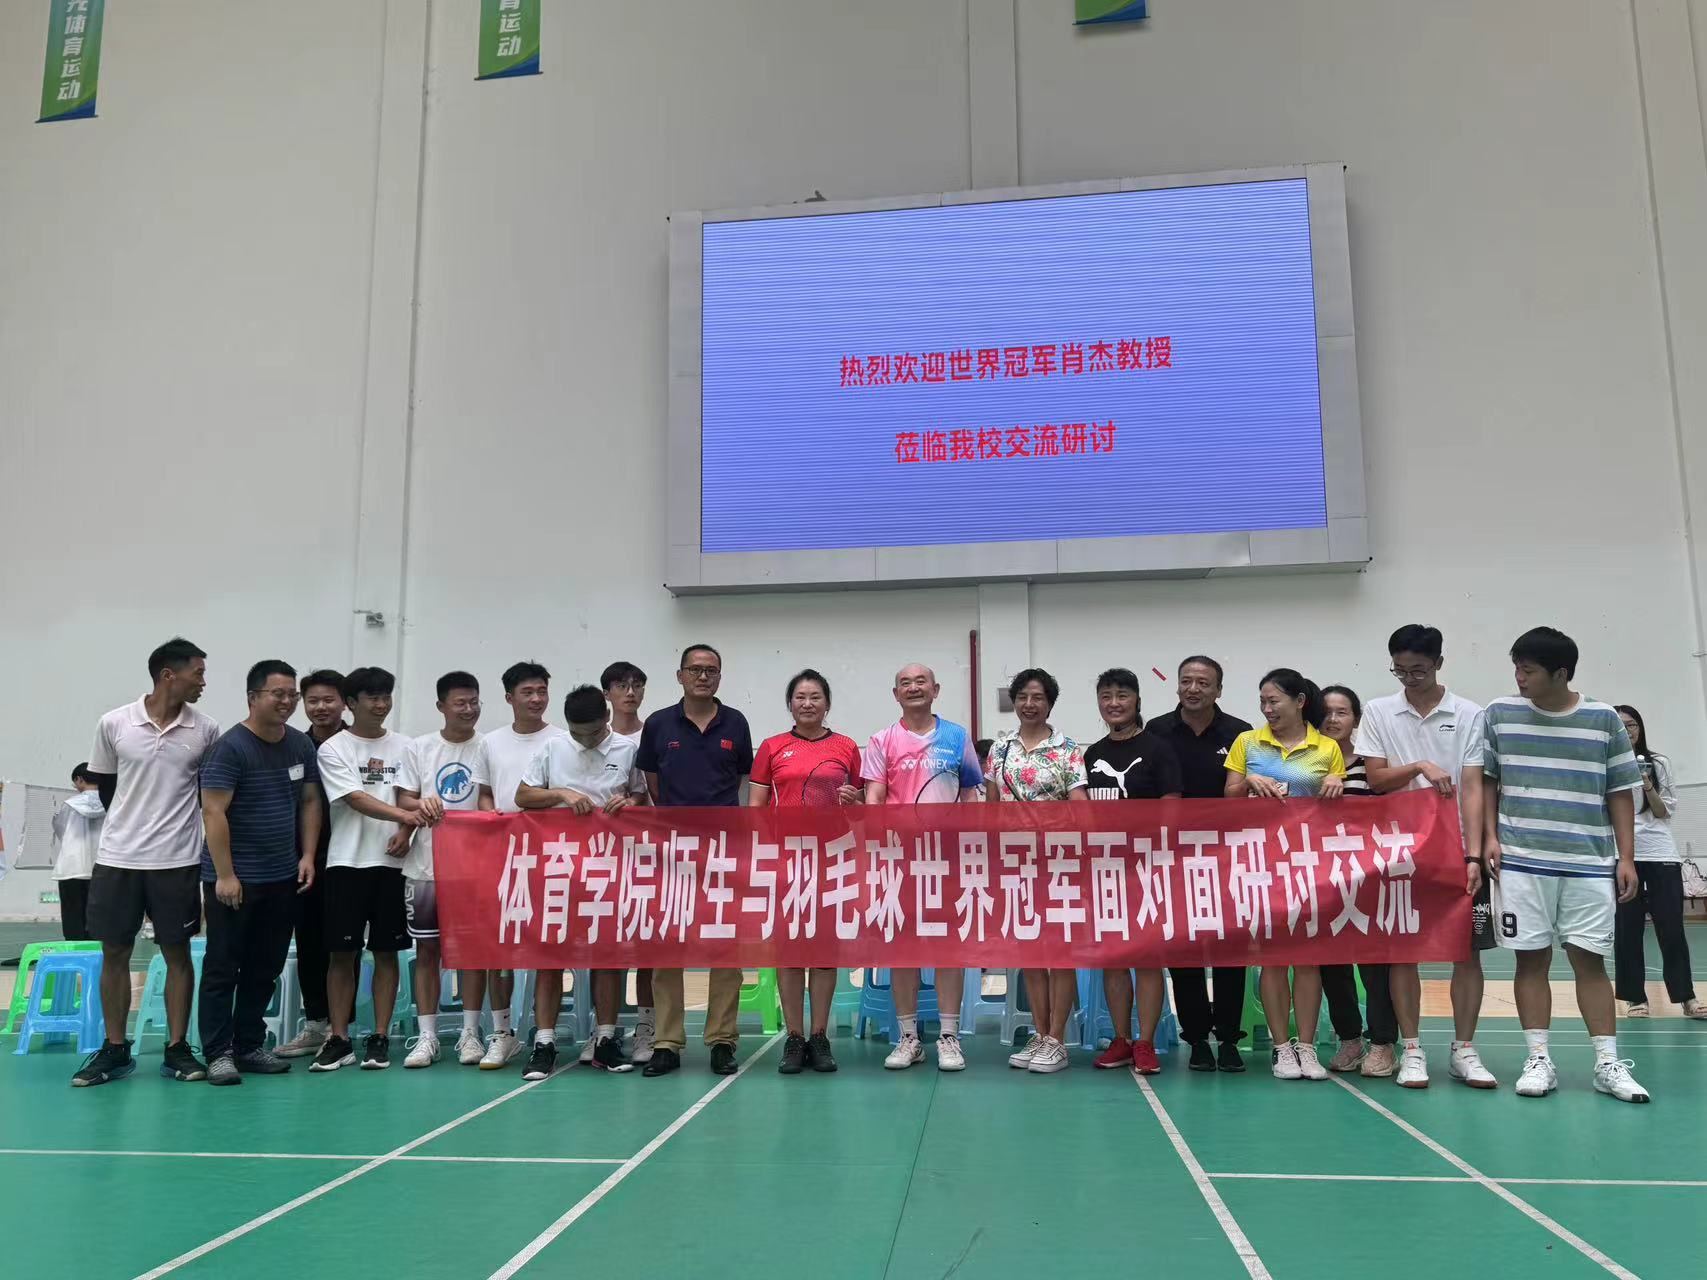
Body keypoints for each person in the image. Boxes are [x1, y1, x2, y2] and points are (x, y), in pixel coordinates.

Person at [1478, 627, 1650, 1102]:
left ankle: (1608, 1063)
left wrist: (1627, 857)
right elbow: (1488, 780)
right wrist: (1490, 837)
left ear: (1561, 673)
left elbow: (1619, 791)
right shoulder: (1499, 714)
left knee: (1589, 961)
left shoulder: (1603, 719)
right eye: (1516, 668)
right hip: (1522, 861)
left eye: (1528, 670)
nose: (1519, 678)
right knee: (1531, 959)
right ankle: (1538, 1059)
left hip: (1589, 862)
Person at [1354, 625, 1496, 1089]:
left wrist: (1472, 855)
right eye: (1400, 670)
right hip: (1399, 850)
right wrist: (1418, 766)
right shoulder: (1379, 711)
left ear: (1439, 663)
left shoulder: (1470, 714)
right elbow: (1376, 779)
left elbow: (1473, 786)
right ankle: (1412, 1049)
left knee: (1466, 953)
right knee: (1403, 952)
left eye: (1418, 670)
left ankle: (1464, 1049)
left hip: (1456, 849)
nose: (1409, 679)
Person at [74, 638, 220, 1087]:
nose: (203, 681)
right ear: (168, 675)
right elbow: (106, 787)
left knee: (177, 952)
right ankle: (115, 1049)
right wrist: (132, 827)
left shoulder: (206, 729)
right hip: (118, 858)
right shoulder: (114, 722)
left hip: (177, 860)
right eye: (198, 672)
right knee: (115, 951)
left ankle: (177, 1049)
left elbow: (209, 793)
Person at [197, 660, 323, 1085]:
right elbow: (213, 811)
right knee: (223, 967)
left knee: (265, 966)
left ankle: (249, 1045)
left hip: (282, 877)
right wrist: (225, 875)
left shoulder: (300, 746)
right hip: (235, 880)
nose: (287, 702)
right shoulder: (230, 748)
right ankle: (218, 1053)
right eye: (278, 694)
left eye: (292, 695)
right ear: (253, 698)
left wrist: (307, 855)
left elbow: (309, 801)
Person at [517, 683, 650, 1078]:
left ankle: (606, 1039)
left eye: (592, 733)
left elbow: (641, 796)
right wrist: (561, 793)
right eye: (578, 733)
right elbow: (523, 795)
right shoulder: (553, 747)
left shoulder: (627, 750)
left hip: (610, 866)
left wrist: (629, 802)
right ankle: (544, 1043)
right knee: (550, 956)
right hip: (559, 867)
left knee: (607, 956)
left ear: (606, 718)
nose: (585, 740)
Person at [635, 645, 754, 1076]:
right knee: (668, 946)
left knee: (725, 947)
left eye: (711, 670)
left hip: (724, 849)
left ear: (719, 676)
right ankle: (667, 1043)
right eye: (695, 670)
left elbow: (741, 779)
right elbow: (653, 783)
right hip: (672, 851)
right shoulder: (658, 724)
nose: (703, 677)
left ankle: (722, 1040)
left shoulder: (736, 723)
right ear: (680, 675)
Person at [1224, 668, 1345, 1082]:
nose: (1267, 708)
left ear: (1299, 702)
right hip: (1261, 863)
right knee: (1272, 959)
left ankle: (1306, 1047)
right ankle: (1281, 1048)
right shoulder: (1247, 742)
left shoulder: (1327, 747)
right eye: (1263, 701)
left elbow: (1338, 806)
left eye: (1274, 700)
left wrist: (1336, 778)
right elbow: (1228, 795)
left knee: (1308, 959)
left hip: (1311, 864)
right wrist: (1249, 780)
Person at [861, 663, 983, 1072]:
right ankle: (908, 1037)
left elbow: (970, 796)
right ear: (896, 694)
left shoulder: (957, 737)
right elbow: (874, 798)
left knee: (948, 947)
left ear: (936, 689)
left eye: (921, 682)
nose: (913, 688)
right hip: (900, 859)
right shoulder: (881, 740)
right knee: (903, 947)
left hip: (947, 860)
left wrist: (969, 848)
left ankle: (949, 1036)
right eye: (905, 683)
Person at [747, 668, 863, 1075]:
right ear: (790, 704)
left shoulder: (847, 747)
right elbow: (756, 808)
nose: (808, 703)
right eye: (800, 697)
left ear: (827, 704)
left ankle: (819, 1036)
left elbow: (862, 806)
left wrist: (855, 801)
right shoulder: (772, 747)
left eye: (815, 697)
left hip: (832, 859)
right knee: (790, 952)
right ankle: (794, 1037)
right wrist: (770, 852)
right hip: (787, 862)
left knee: (825, 953)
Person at [310, 666, 423, 1073]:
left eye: (385, 696)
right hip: (346, 862)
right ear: (351, 703)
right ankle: (339, 1038)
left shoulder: (407, 746)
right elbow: (355, 798)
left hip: (393, 865)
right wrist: (404, 817)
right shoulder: (333, 749)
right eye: (372, 697)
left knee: (387, 953)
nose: (380, 704)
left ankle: (379, 1037)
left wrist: (406, 832)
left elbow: (411, 797)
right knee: (342, 954)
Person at [1149, 656, 1253, 1072]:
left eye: (1203, 683)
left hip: (1227, 856)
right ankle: (1196, 1039)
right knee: (1183, 947)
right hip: (1173, 857)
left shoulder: (1240, 732)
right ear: (1177, 686)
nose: (1193, 689)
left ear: (1218, 690)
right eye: (1186, 681)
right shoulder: (1156, 731)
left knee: (1230, 948)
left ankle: (1228, 1038)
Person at [987, 669, 1089, 1075]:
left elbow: (1079, 804)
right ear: (1014, 701)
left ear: (1050, 703)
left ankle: (1058, 1040)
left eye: (1038, 697)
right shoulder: (1000, 749)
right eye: (1023, 697)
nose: (1030, 704)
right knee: (1030, 951)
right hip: (1014, 862)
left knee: (1059, 952)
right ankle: (1041, 1033)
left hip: (1058, 861)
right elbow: (991, 806)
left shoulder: (1067, 750)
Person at [1084, 668, 1182, 1074]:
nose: (1114, 703)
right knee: (1114, 957)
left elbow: (1171, 808)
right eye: (1106, 696)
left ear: (1137, 700)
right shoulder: (1091, 755)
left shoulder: (1158, 749)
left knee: (1147, 957)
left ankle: (1145, 1042)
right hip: (1105, 870)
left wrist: (1150, 850)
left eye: (1122, 695)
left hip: (1148, 868)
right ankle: (1122, 1039)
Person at [396, 672, 495, 1069]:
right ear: (441, 706)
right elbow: (404, 798)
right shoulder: (419, 748)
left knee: (472, 951)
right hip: (426, 867)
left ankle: (471, 1034)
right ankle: (427, 1037)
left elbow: (490, 797)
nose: (469, 709)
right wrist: (420, 804)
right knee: (427, 950)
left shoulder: (488, 746)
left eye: (474, 702)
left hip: (475, 870)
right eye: (460, 703)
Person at [478, 660, 567, 1070]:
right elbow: (485, 792)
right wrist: (489, 816)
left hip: (550, 859)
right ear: (509, 697)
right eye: (527, 692)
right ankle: (502, 1033)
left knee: (548, 950)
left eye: (541, 691)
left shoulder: (562, 741)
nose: (536, 699)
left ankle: (544, 1036)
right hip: (503, 858)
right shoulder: (491, 742)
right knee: (500, 949)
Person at [1318, 685, 1400, 1075]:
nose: (1333, 719)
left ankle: (1382, 1042)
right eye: (1326, 712)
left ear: (1356, 719)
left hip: (1368, 875)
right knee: (1331, 962)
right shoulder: (1308, 762)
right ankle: (1349, 1038)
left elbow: (1389, 812)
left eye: (1342, 712)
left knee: (1375, 963)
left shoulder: (1372, 764)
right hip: (1320, 876)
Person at [1612, 705, 1703, 1018]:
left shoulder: (1659, 763)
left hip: (1661, 855)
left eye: (1632, 725)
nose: (1627, 731)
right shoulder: (1607, 765)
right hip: (1623, 857)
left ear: (1640, 728)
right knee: (1628, 930)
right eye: (1620, 725)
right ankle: (1635, 998)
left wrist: (1647, 782)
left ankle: (1686, 997)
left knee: (1671, 928)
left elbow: (1664, 812)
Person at [276, 669, 349, 1058]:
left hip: (353, 856)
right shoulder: (293, 745)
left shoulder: (358, 744)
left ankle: (343, 1028)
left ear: (345, 702)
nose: (321, 707)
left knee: (346, 945)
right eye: (313, 700)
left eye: (329, 700)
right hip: (305, 859)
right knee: (309, 941)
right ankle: (317, 1025)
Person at [601, 659, 655, 1063]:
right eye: (621, 685)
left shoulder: (655, 732)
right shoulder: (592, 737)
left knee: (649, 947)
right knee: (605, 947)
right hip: (602, 856)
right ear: (607, 693)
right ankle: (603, 1031)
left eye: (637, 685)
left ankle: (646, 1028)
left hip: (649, 853)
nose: (630, 692)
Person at [50, 763, 104, 941]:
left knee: (72, 914)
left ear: (80, 779)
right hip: (101, 867)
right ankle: (95, 950)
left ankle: (74, 950)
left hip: (72, 867)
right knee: (98, 914)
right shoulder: (110, 802)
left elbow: (60, 829)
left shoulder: (70, 804)